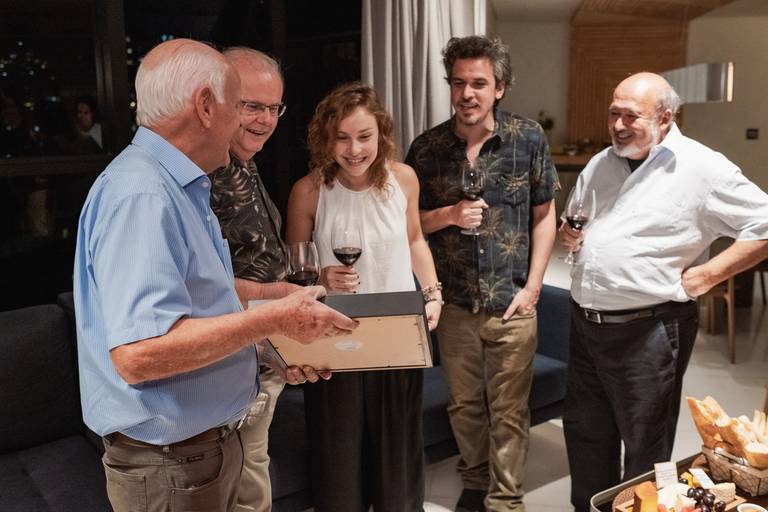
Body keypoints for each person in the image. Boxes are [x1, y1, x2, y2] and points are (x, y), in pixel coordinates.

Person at [73, 38, 357, 512]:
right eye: (239, 104)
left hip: (201, 450)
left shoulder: (180, 184)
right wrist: (273, 319)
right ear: (206, 106)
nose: (247, 122)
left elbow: (200, 296)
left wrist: (266, 335)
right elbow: (139, 354)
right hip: (171, 463)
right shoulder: (143, 195)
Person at [558, 72, 768, 512]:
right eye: (613, 113)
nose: (618, 125)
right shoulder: (602, 162)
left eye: (631, 116)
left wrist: (709, 274)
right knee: (585, 434)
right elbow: (577, 219)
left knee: (644, 447)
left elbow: (764, 224)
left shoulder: (701, 167)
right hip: (586, 324)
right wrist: (572, 235)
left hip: (648, 330)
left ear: (666, 117)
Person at [405, 35, 559, 512]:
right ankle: (475, 481)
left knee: (510, 410)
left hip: (512, 302)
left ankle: (506, 498)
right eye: (458, 83)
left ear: (500, 88)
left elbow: (544, 214)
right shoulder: (426, 149)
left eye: (478, 83)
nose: (467, 93)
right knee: (465, 405)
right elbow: (407, 225)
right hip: (453, 304)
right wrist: (449, 214)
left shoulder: (527, 137)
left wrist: (534, 288)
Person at [286, 81, 442, 512]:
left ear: (381, 134)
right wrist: (321, 276)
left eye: (364, 136)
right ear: (326, 139)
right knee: (338, 466)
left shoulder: (404, 179)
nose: (354, 150)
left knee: (398, 466)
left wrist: (433, 293)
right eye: (342, 138)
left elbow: (414, 239)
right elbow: (294, 271)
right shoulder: (308, 191)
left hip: (396, 334)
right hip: (333, 341)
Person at [209, 47, 293, 512]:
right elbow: (202, 283)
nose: (265, 120)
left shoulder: (244, 161)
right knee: (241, 483)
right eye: (252, 106)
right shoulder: (204, 171)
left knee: (252, 467)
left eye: (274, 108)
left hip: (261, 353)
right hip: (230, 358)